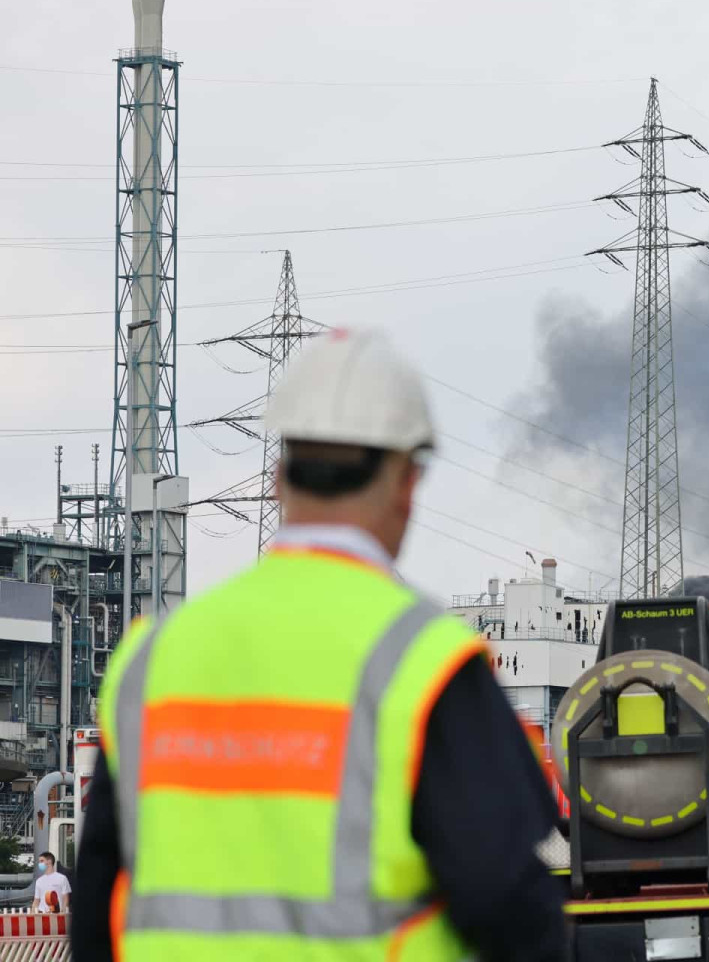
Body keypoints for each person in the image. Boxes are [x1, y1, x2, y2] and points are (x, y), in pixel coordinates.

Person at [71, 328, 568, 961]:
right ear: (407, 482)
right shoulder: (422, 663)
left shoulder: (154, 661)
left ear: (279, 477)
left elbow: (96, 914)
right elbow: (514, 911)